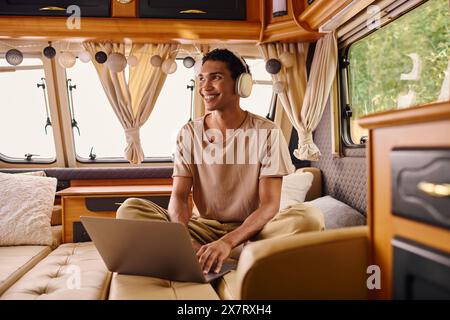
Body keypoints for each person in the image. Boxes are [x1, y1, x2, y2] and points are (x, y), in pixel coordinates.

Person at [116, 49, 324, 275]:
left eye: (215, 77)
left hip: (252, 230)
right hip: (202, 228)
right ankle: (200, 253)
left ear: (240, 84)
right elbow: (178, 197)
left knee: (309, 218)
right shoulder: (188, 133)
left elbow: (269, 206)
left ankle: (222, 252)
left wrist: (227, 242)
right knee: (130, 209)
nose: (205, 87)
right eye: (201, 78)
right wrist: (183, 237)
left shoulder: (267, 133)